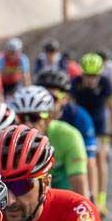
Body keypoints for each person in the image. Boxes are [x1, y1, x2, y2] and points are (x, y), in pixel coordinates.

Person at [9, 86, 88, 198]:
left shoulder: (69, 135)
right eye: (22, 118)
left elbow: (79, 183)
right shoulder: (9, 139)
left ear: (49, 118)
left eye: (34, 117)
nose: (28, 124)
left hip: (63, 198)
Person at [36, 68, 98, 202]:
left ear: (65, 98)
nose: (47, 102)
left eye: (53, 98)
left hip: (67, 178)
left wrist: (92, 199)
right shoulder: (32, 119)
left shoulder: (80, 118)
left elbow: (90, 161)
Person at [72, 53, 112, 212]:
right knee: (83, 160)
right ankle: (86, 193)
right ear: (82, 74)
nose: (91, 80)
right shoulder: (75, 84)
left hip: (99, 126)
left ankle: (101, 198)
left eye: (94, 76)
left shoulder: (105, 84)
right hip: (80, 126)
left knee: (100, 159)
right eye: (87, 76)